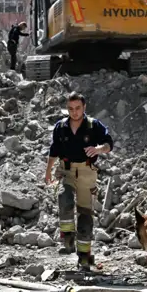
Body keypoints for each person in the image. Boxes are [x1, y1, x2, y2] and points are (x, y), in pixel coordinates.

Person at [45, 92, 114, 270]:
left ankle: (84, 256)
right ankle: (67, 238)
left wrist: (99, 149)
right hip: (67, 170)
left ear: (84, 107)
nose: (74, 112)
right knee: (64, 198)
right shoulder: (60, 126)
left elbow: (108, 144)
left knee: (85, 215)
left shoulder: (93, 125)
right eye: (70, 109)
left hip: (86, 172)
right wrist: (48, 172)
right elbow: (54, 150)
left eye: (77, 108)